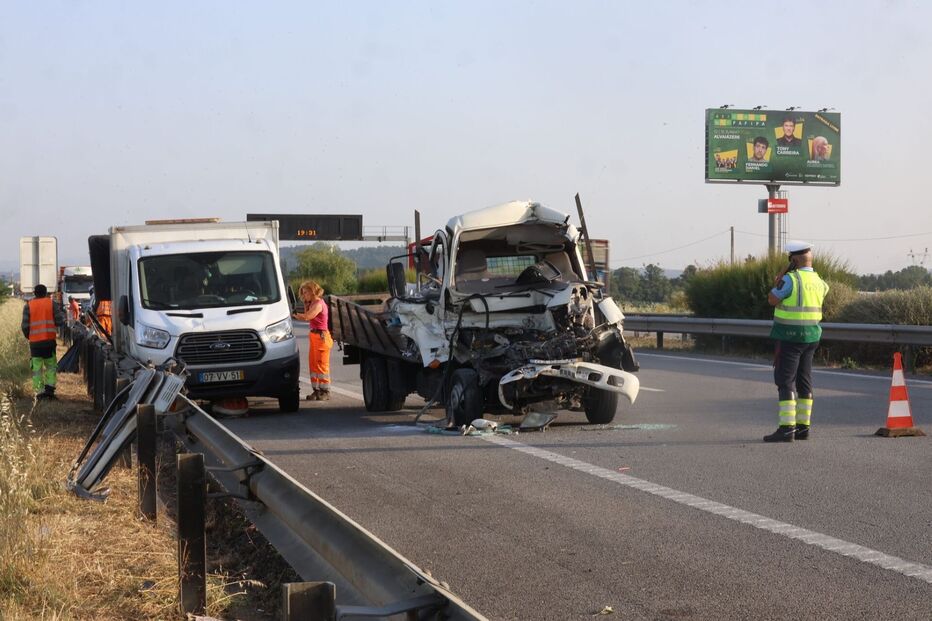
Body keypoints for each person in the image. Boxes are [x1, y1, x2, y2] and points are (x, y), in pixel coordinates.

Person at [764, 241, 830, 442]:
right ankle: (803, 428)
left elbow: (772, 300)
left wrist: (779, 280)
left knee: (785, 381)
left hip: (790, 337)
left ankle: (786, 429)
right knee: (804, 381)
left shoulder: (791, 279)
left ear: (793, 260)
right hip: (811, 337)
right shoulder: (820, 281)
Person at [21, 284, 64, 400]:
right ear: (46, 293)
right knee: (50, 366)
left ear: (34, 293)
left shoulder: (28, 306)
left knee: (37, 368)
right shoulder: (52, 304)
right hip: (49, 342)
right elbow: (60, 321)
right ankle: (49, 390)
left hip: (35, 343)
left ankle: (40, 393)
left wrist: (30, 337)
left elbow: (24, 326)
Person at [292, 280, 332, 401]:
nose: (304, 295)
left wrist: (295, 315)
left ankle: (325, 391)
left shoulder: (319, 304)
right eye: (303, 293)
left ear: (313, 291)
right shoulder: (312, 303)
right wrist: (305, 304)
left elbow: (307, 316)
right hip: (314, 336)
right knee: (314, 365)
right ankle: (317, 390)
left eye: (306, 292)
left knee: (321, 366)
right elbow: (307, 315)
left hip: (321, 336)